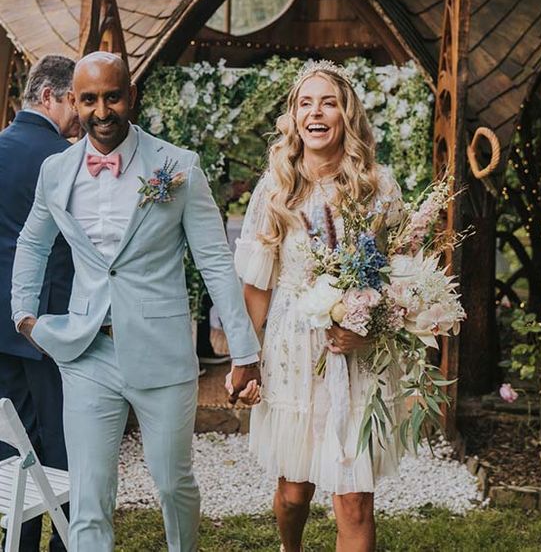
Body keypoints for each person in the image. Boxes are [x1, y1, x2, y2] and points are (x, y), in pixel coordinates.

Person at [11, 51, 262, 552]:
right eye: (88, 100)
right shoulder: (56, 172)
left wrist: (245, 352)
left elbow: (214, 261)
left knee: (173, 485)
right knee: (87, 499)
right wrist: (24, 313)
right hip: (86, 353)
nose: (101, 111)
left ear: (131, 96)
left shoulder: (178, 167)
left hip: (162, 352)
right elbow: (33, 243)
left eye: (112, 96)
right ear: (73, 102)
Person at [232, 61, 403, 552]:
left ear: (345, 114)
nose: (316, 112)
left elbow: (403, 273)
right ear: (294, 117)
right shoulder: (277, 186)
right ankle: (292, 548)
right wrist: (246, 361)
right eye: (305, 103)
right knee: (294, 491)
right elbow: (258, 285)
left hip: (358, 354)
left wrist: (368, 327)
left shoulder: (378, 185)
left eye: (328, 102)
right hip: (293, 353)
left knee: (353, 501)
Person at [0, 55, 79, 552]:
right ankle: (68, 543)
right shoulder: (64, 160)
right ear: (49, 96)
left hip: (0, 328)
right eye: (75, 99)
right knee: (65, 443)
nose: (80, 113)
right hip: (49, 325)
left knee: (12, 442)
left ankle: (17, 542)